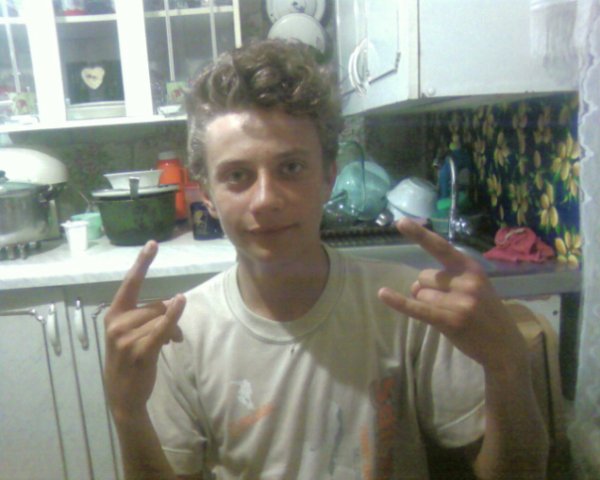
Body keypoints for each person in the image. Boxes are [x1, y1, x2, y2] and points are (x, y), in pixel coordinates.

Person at [104, 39, 549, 479]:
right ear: (208, 195)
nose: (266, 199)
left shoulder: (407, 306)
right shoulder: (179, 336)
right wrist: (127, 412)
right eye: (237, 175)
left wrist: (508, 365)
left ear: (329, 177)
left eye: (291, 168)